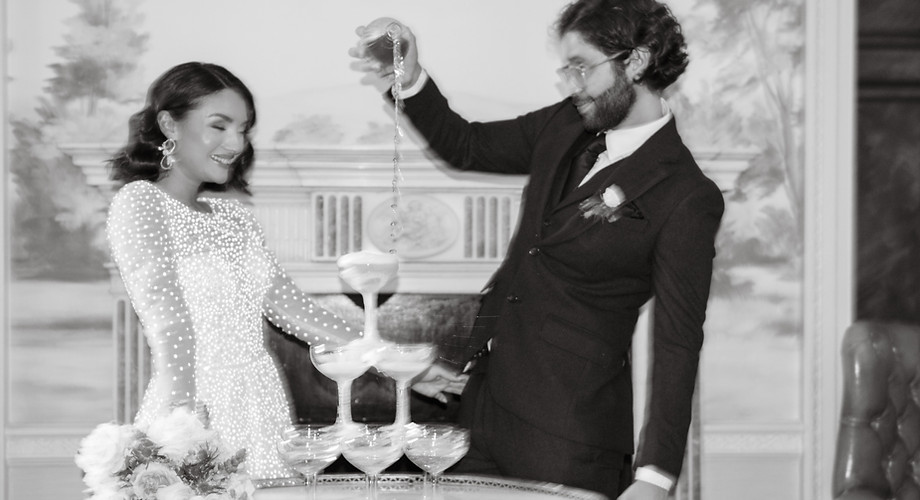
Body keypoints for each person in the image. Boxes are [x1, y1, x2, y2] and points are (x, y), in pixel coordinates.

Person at [351, 1, 724, 498]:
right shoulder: (565, 124)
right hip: (479, 413)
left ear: (636, 61)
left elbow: (678, 343)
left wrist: (655, 476)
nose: (572, 84)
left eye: (582, 67)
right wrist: (411, 73)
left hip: (570, 440)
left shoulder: (687, 195)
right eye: (566, 69)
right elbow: (466, 145)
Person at [106, 62, 364, 479]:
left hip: (262, 404)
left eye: (243, 129)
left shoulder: (234, 217)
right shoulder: (141, 203)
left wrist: (398, 362)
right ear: (169, 124)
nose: (236, 142)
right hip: (194, 402)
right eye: (219, 126)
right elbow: (168, 324)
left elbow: (293, 308)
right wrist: (185, 427)